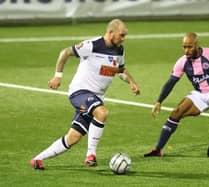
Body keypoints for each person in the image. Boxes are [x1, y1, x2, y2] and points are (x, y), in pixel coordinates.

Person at [30, 19, 140, 170]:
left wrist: (132, 82)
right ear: (110, 32)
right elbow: (66, 52)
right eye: (121, 35)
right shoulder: (92, 45)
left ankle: (37, 159)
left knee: (73, 137)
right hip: (80, 92)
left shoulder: (119, 50)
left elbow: (119, 71)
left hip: (95, 98)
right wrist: (58, 76)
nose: (123, 38)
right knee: (102, 113)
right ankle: (91, 155)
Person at [144, 32, 209, 158]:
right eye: (184, 47)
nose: (186, 50)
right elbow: (171, 82)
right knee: (176, 112)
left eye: (190, 47)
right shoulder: (182, 62)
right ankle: (158, 149)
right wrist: (159, 101)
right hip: (200, 94)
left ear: (197, 45)